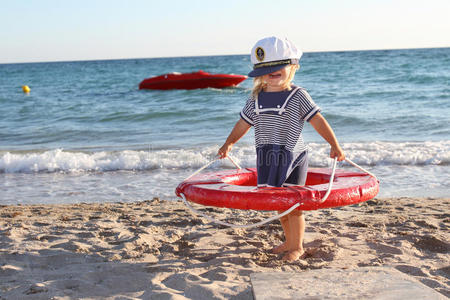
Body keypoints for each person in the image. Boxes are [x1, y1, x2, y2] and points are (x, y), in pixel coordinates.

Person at [217, 36, 345, 261]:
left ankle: (297, 246)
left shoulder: (298, 96)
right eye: (266, 69)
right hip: (268, 157)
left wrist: (333, 144)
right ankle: (289, 241)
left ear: (293, 66)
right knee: (280, 205)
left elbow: (318, 121)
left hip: (292, 156)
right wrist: (229, 142)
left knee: (293, 205)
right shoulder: (255, 97)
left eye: (278, 68)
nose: (272, 73)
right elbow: (243, 124)